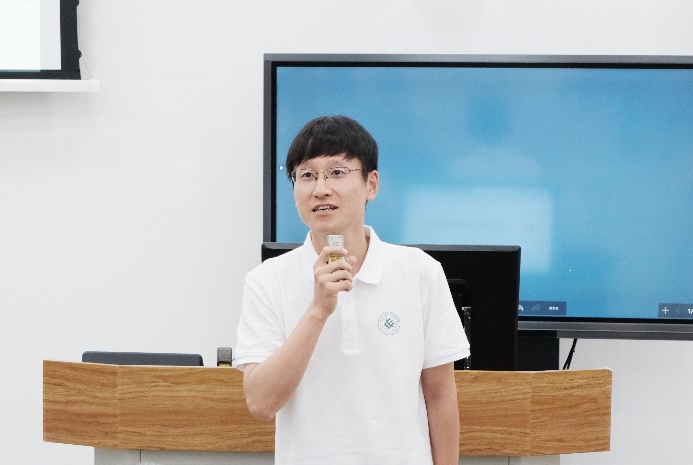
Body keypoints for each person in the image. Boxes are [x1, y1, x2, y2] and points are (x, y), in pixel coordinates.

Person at [233, 115, 470, 465]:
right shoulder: (266, 280)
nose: (321, 189)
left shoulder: (420, 271)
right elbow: (261, 404)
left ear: (371, 184)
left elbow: (440, 396)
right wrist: (318, 310)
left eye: (336, 172)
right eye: (307, 175)